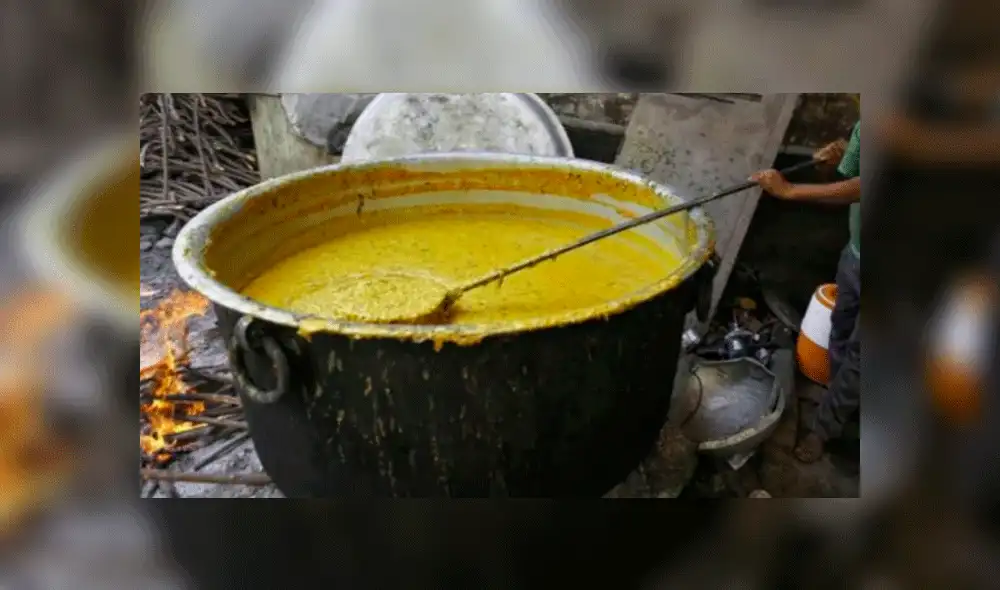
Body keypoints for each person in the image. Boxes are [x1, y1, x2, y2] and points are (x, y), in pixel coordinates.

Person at [750, 121, 861, 463]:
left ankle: (825, 429)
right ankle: (844, 400)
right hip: (855, 252)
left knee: (862, 351)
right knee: (841, 330)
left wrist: (790, 191)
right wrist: (829, 165)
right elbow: (845, 179)